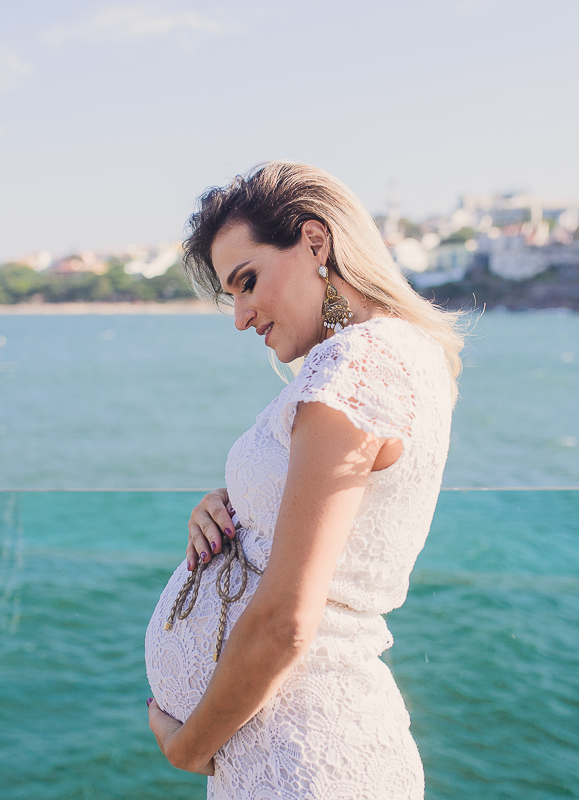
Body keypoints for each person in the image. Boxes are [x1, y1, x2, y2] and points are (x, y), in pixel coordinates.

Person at [144, 162, 463, 799]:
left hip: (303, 762)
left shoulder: (358, 368)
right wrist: (226, 512)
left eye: (248, 281)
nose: (239, 317)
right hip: (293, 751)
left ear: (316, 242)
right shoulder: (392, 356)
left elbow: (288, 619)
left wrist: (188, 745)